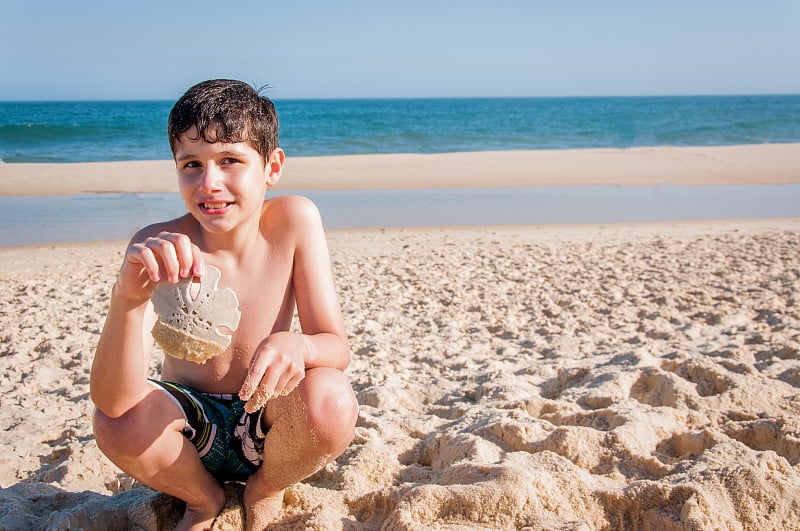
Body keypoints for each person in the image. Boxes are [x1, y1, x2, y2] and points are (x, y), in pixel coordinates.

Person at [90, 79, 359, 530]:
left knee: (331, 400)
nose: (209, 183)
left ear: (272, 166)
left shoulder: (294, 222)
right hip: (185, 432)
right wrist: (128, 299)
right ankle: (203, 497)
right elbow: (113, 401)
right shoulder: (157, 246)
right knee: (113, 424)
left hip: (271, 422)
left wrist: (300, 346)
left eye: (230, 160)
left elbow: (336, 347)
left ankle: (266, 486)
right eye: (191, 164)